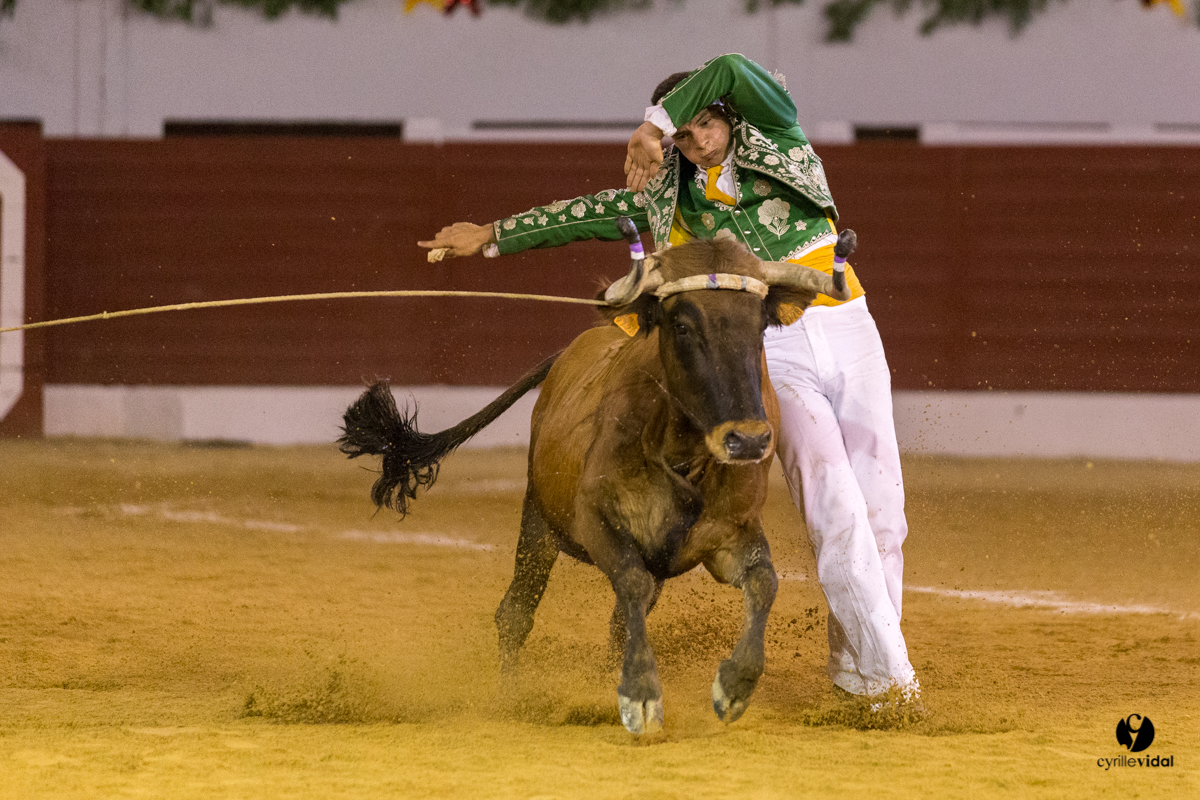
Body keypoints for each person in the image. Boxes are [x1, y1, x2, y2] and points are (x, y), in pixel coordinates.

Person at [419, 53, 919, 706]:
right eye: (685, 137)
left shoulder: (780, 138)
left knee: (886, 522)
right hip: (770, 345)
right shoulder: (666, 197)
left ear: (727, 119)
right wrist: (490, 236)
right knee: (836, 511)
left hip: (850, 325)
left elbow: (735, 66)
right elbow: (585, 214)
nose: (698, 142)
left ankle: (859, 674)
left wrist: (654, 125)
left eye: (704, 125)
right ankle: (896, 687)